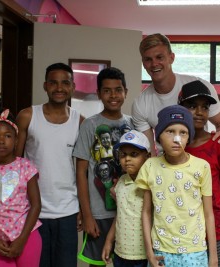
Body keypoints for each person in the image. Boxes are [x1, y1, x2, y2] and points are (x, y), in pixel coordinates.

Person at [15, 62, 84, 267]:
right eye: (53, 83)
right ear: (45, 86)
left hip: (68, 210)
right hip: (34, 210)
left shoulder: (79, 121)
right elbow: (15, 166)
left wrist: (83, 207)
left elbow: (82, 170)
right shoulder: (28, 116)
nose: (59, 88)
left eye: (65, 83)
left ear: (73, 86)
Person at [135, 105, 218, 267]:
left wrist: (213, 257)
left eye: (183, 133)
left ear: (189, 137)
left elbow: (209, 214)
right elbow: (146, 212)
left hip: (194, 251)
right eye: (170, 131)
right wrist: (149, 253)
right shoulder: (150, 166)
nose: (176, 139)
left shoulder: (202, 167)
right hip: (161, 251)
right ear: (159, 136)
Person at [132, 33, 220, 155]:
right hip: (166, 165)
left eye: (159, 57)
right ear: (143, 63)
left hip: (200, 159)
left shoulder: (200, 86)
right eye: (148, 59)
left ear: (171, 58)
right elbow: (149, 151)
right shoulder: (140, 104)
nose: (154, 64)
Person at [73, 67, 134, 266]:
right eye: (107, 90)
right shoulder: (90, 125)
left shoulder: (133, 125)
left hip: (129, 211)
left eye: (118, 90)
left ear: (126, 91)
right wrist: (87, 214)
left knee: (127, 261)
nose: (113, 95)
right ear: (99, 93)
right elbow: (81, 172)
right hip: (99, 213)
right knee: (97, 262)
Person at [0, 108, 42, 267]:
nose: (1, 140)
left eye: (8, 136)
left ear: (17, 140)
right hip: (0, 243)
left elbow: (36, 205)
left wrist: (22, 239)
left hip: (27, 237)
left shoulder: (26, 167)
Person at [179, 80, 220, 267]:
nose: (200, 112)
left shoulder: (219, 144)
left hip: (215, 226)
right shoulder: (177, 147)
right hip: (185, 226)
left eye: (205, 107)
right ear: (181, 108)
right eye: (193, 106)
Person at [101, 130, 151, 267]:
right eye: (123, 155)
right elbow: (120, 214)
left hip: (144, 254)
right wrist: (109, 241)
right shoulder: (121, 182)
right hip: (121, 253)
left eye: (134, 154)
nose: (127, 159)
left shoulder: (151, 184)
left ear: (147, 156)